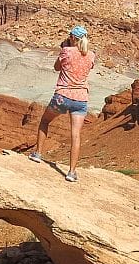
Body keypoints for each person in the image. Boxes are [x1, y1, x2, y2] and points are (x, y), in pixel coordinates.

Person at [30, 24, 96, 182]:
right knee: (76, 135)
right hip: (81, 99)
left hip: (62, 96)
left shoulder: (66, 51)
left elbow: (56, 68)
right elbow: (88, 66)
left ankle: (38, 154)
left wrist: (65, 48)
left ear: (72, 37)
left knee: (45, 121)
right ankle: (72, 172)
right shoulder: (91, 55)